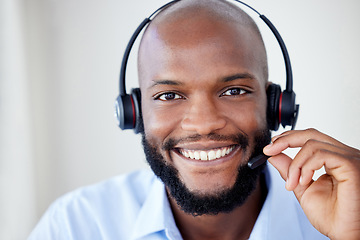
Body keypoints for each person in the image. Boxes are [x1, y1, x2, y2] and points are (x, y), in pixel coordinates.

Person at [28, 0, 360, 239]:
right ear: (134, 111)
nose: (203, 124)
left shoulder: (343, 215)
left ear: (276, 106)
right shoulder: (76, 226)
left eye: (233, 91)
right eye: (169, 95)